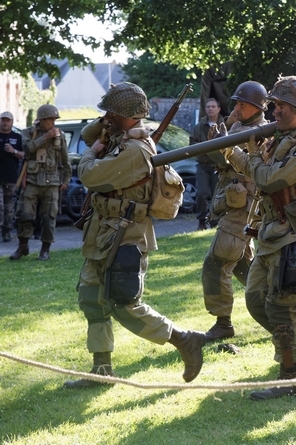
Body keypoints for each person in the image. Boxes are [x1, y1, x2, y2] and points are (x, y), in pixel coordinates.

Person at [64, 82, 205, 388]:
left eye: (110, 111)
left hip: (124, 235)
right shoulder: (119, 137)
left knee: (123, 303)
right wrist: (106, 124)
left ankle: (183, 339)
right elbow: (92, 134)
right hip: (102, 231)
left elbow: (89, 175)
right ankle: (101, 372)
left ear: (126, 115)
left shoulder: (136, 150)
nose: (106, 116)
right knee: (92, 299)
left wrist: (91, 154)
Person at [226, 76, 296, 400]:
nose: (273, 111)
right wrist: (234, 152)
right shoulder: (280, 139)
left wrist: (252, 157)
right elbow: (255, 168)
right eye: (274, 105)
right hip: (272, 234)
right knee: (255, 299)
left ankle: (290, 378)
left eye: (280, 106)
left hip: (295, 238)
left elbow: (269, 179)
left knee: (281, 309)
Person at [199, 84, 269, 341]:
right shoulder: (239, 127)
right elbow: (220, 160)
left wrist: (223, 140)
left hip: (244, 207)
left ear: (258, 108)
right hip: (234, 202)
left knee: (216, 263)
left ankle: (223, 323)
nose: (237, 108)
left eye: (243, 104)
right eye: (236, 103)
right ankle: (276, 307)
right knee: (241, 264)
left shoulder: (261, 132)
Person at [10, 105, 70, 261]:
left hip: (52, 181)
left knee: (49, 217)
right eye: (50, 119)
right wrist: (45, 137)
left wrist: (65, 179)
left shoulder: (60, 136)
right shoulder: (28, 132)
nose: (52, 122)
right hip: (32, 181)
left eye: (54, 120)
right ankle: (23, 247)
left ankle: (45, 250)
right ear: (42, 120)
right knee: (24, 213)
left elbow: (65, 160)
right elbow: (27, 148)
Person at [190, 98, 226, 230]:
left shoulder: (225, 124)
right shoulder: (200, 126)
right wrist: (204, 147)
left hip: (219, 165)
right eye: (208, 107)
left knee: (218, 194)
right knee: (201, 192)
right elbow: (192, 142)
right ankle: (201, 220)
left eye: (213, 106)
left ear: (218, 109)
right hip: (203, 164)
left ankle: (215, 221)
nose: (210, 109)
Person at [0, 111, 24, 242]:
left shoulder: (17, 137)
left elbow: (23, 155)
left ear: (12, 122)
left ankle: (7, 231)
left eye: (7, 120)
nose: (5, 122)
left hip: (11, 177)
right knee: (0, 206)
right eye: (3, 120)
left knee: (9, 207)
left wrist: (13, 151)